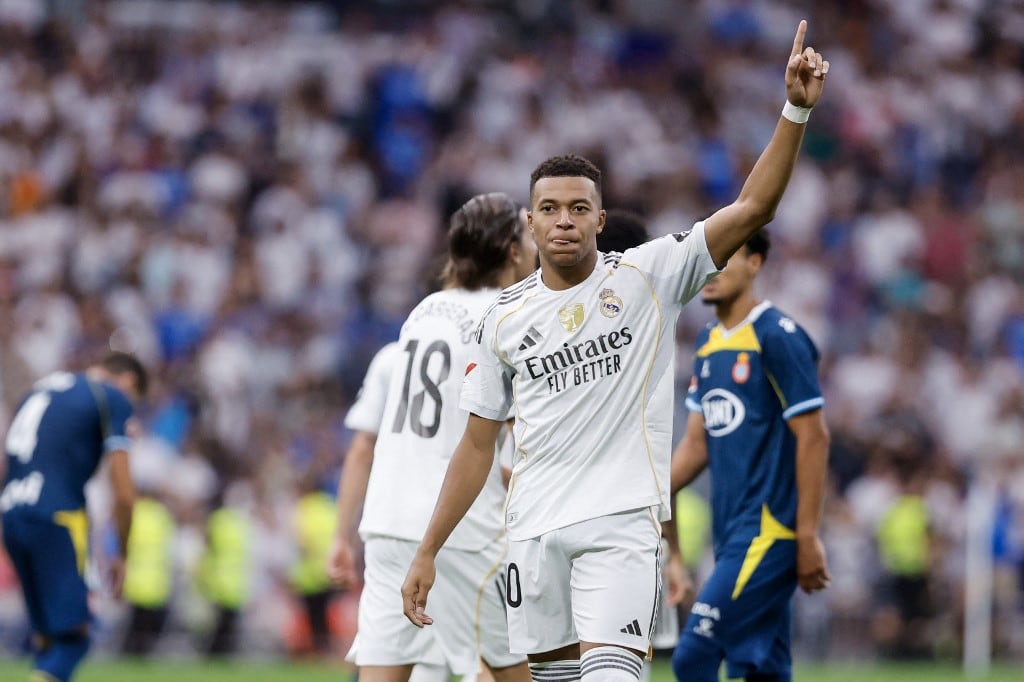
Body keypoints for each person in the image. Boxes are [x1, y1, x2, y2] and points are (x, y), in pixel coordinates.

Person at [402, 20, 828, 682]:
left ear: (601, 220)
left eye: (579, 208)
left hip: (620, 527)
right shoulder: (502, 319)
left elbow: (753, 207)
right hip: (534, 535)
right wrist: (429, 548)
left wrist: (795, 108)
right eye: (550, 209)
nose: (565, 220)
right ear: (531, 223)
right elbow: (477, 445)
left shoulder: (649, 276)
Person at [329, 192, 537, 682]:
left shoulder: (424, 311)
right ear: (511, 249)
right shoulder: (510, 313)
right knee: (510, 669)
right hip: (459, 528)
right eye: (528, 236)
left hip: (387, 523)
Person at [669, 229, 831, 682]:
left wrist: (807, 535)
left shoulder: (777, 336)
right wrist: (650, 488)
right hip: (731, 532)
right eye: (708, 258)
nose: (712, 270)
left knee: (694, 654)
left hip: (769, 532)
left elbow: (814, 436)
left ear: (755, 264)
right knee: (764, 669)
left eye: (727, 257)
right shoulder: (707, 343)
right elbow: (697, 445)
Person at [0, 351, 148, 682]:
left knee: (47, 639)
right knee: (74, 638)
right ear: (129, 380)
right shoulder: (110, 395)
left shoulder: (40, 389)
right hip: (58, 516)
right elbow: (124, 493)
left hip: (12, 512)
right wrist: (121, 553)